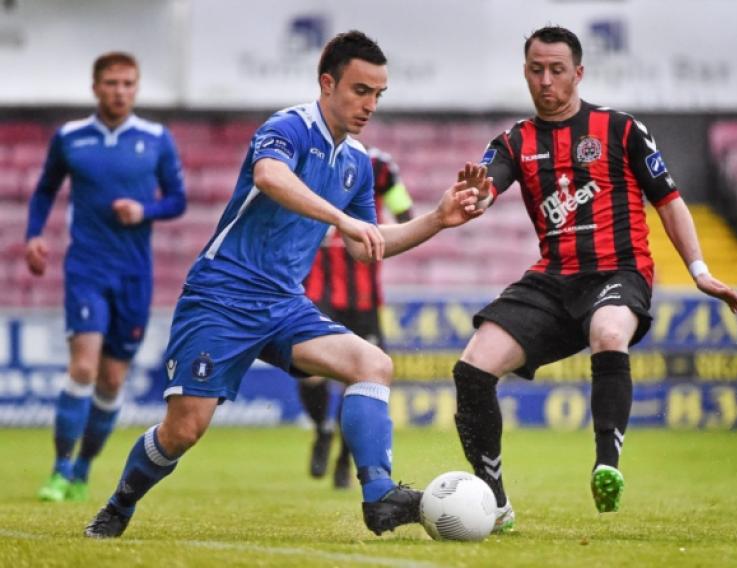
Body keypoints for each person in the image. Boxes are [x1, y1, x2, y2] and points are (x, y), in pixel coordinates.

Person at [84, 30, 486, 539]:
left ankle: (378, 494)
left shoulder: (357, 162)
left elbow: (364, 245)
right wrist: (341, 220)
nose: (370, 105)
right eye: (360, 90)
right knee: (183, 430)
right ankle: (119, 505)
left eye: (378, 94)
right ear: (327, 82)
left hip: (284, 305)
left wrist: (438, 218)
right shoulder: (288, 127)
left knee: (373, 364)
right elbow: (271, 177)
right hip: (220, 298)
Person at [451, 26, 737, 532]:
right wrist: (475, 198)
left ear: (579, 73)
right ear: (526, 72)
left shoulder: (621, 129)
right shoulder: (512, 141)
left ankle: (606, 464)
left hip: (619, 271)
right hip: (552, 279)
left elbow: (670, 202)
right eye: (536, 70)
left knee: (609, 333)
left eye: (557, 70)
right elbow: (486, 187)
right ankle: (494, 502)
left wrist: (700, 271)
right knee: (472, 369)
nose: (546, 81)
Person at [26, 52, 187, 503]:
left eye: (128, 83)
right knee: (82, 366)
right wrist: (34, 235)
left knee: (112, 380)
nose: (120, 91)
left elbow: (177, 200)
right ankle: (58, 470)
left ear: (136, 89)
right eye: (112, 83)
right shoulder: (71, 138)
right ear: (96, 87)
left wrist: (145, 211)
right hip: (87, 268)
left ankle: (81, 470)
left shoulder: (156, 139)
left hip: (134, 274)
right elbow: (44, 190)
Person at [300, 147, 413, 489]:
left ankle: (344, 461)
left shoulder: (381, 166)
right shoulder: (308, 159)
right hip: (319, 291)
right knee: (309, 374)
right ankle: (322, 429)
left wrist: (378, 229)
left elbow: (405, 212)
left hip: (364, 299)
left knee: (361, 379)